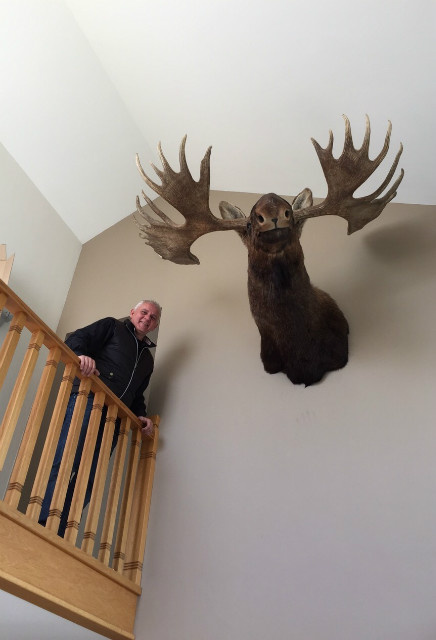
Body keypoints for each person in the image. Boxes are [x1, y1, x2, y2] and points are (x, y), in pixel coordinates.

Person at [39, 299, 161, 536]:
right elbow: (75, 339)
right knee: (66, 461)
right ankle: (43, 522)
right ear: (132, 312)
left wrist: (141, 416)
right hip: (87, 401)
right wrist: (82, 356)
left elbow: (136, 396)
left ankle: (60, 532)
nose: (147, 318)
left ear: (155, 325)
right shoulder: (111, 326)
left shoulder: (148, 360)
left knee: (89, 476)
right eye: (144, 312)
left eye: (153, 317)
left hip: (113, 421)